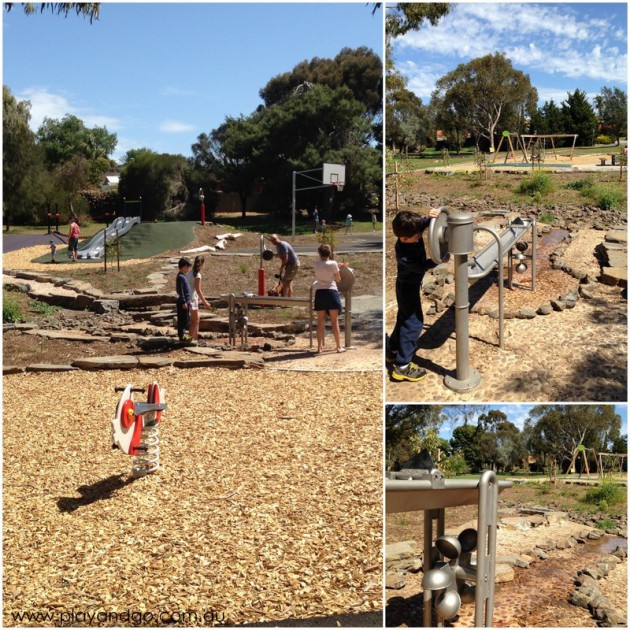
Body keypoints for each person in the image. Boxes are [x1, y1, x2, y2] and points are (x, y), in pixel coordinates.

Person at [387, 208, 442, 382]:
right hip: (407, 288)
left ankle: (393, 350)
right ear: (404, 238)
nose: (419, 237)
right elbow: (420, 267)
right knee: (414, 323)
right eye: (417, 237)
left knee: (404, 318)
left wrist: (431, 217)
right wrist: (435, 261)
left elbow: (422, 225)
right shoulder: (403, 253)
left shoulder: (409, 230)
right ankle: (402, 366)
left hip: (409, 286)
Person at [313, 243, 346, 354]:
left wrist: (337, 266)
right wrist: (338, 268)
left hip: (320, 293)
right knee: (334, 321)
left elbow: (323, 269)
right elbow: (338, 279)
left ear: (319, 253)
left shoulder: (316, 264)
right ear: (330, 253)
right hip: (331, 292)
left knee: (320, 321)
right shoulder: (333, 263)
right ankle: (338, 347)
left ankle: (319, 347)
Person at [189, 255, 211, 343]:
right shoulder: (197, 275)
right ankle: (190, 340)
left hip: (190, 298)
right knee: (195, 320)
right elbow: (198, 290)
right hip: (192, 299)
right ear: (202, 264)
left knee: (196, 318)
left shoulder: (190, 273)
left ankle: (194, 338)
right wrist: (205, 302)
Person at [176, 258, 193, 343]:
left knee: (186, 319)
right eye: (188, 267)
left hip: (187, 302)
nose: (188, 269)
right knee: (182, 319)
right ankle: (181, 336)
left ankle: (183, 334)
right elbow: (180, 291)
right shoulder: (180, 277)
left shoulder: (183, 276)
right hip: (183, 302)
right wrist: (183, 302)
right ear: (184, 266)